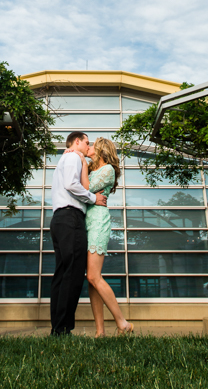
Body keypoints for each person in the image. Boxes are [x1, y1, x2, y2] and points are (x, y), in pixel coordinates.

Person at [49, 131, 107, 336]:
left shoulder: (66, 158)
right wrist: (93, 198)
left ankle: (57, 327)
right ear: (76, 142)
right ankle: (63, 328)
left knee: (62, 273)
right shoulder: (72, 156)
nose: (87, 146)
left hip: (59, 219)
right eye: (86, 142)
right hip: (71, 218)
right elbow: (71, 185)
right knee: (73, 273)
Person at [77, 137, 133, 337]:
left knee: (93, 276)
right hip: (85, 221)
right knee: (91, 279)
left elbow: (84, 190)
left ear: (101, 151)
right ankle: (100, 331)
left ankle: (123, 323)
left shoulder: (108, 169)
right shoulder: (91, 169)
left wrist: (83, 164)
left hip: (98, 222)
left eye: (92, 146)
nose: (88, 147)